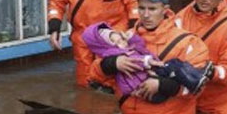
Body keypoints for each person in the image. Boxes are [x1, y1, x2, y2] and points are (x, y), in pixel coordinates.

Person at [90, 0, 210, 114]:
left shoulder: (188, 43)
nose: (146, 15)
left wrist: (161, 85)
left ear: (165, 10)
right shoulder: (126, 37)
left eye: (152, 9)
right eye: (142, 8)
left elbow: (197, 88)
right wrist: (113, 63)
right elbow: (94, 76)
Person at [82, 21, 213, 102]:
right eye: (114, 41)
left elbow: (140, 45)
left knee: (175, 65)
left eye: (117, 36)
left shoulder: (127, 44)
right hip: (145, 88)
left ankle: (197, 78)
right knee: (173, 67)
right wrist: (148, 61)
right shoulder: (114, 54)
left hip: (149, 85)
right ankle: (196, 80)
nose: (119, 41)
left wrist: (130, 38)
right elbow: (135, 61)